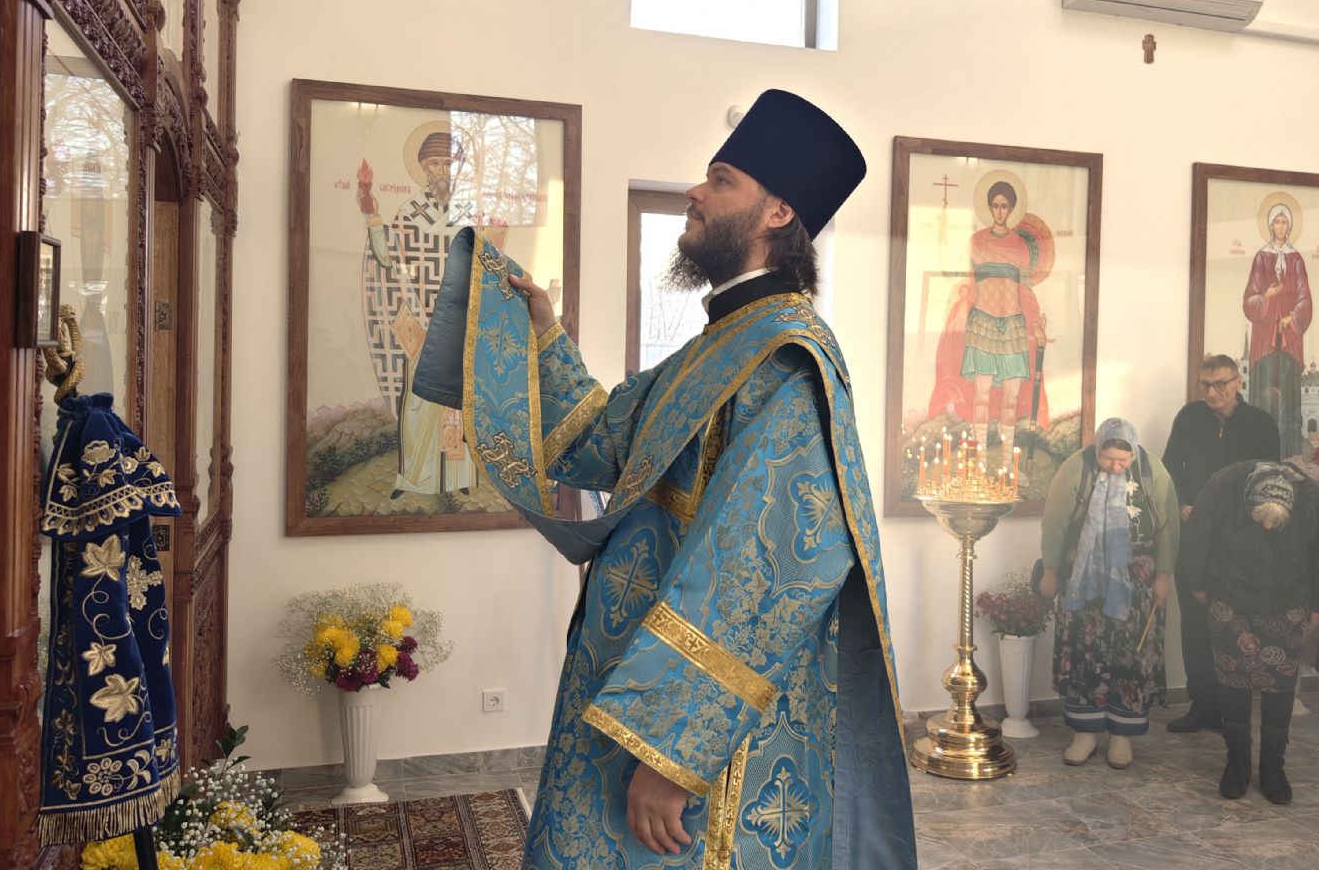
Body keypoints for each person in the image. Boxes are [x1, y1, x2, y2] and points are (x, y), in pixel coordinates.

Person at [412, 90, 916, 868]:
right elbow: (600, 443)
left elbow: (766, 569)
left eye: (719, 180)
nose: (694, 192)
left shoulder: (787, 361)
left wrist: (673, 752)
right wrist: (543, 334)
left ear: (777, 212)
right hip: (629, 680)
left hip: (696, 734)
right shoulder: (719, 344)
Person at [1039, 418, 1179, 770]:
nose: (1115, 466)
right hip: (1085, 575)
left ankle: (1122, 736)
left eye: (1122, 460)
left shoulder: (1153, 470)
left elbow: (1168, 526)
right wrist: (1051, 570)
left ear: (1134, 453)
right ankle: (1084, 733)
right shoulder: (1076, 468)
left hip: (1138, 579)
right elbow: (1055, 523)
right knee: (1085, 651)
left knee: (1132, 654)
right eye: (1107, 459)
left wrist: (1164, 575)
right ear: (1097, 447)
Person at [1185, 461, 1319, 804]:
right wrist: (1197, 583)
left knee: (1281, 684)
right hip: (1231, 597)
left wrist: (1317, 603)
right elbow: (1197, 536)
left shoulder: (1310, 495)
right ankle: (1237, 764)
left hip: (1288, 600)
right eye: (1261, 520)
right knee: (1233, 680)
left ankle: (1273, 768)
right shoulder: (1222, 485)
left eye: (1277, 522)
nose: (1268, 528)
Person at [1161, 354, 1280, 733]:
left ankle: (1235, 711)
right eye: (1206, 385)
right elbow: (1169, 467)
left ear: (1237, 382)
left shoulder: (1261, 423)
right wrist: (1182, 504)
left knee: (1236, 626)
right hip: (1193, 535)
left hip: (1239, 541)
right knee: (1195, 625)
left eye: (1221, 384)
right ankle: (1203, 706)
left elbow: (1269, 478)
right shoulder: (1188, 417)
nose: (1213, 393)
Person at [357, 130, 476, 500]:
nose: (442, 171)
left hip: (457, 324)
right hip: (423, 321)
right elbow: (388, 256)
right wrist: (372, 213)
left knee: (455, 401)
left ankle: (457, 477)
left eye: (449, 163)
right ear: (423, 167)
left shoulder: (467, 215)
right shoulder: (410, 212)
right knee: (418, 404)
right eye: (435, 163)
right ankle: (415, 478)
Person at [927, 181, 1050, 467]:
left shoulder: (1020, 246)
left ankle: (1007, 464)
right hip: (982, 325)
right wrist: (942, 234)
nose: (999, 211)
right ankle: (980, 461)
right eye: (995, 206)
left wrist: (1036, 324)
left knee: (1011, 396)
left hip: (1013, 329)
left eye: (1004, 206)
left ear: (1011, 209)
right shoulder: (978, 241)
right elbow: (952, 271)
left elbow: (1025, 289)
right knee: (980, 395)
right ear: (989, 208)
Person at [1243, 202, 1312, 458]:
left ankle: (1291, 455)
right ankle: (1257, 454)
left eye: (1284, 222)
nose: (1280, 227)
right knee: (1263, 400)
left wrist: (1292, 317)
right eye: (1276, 222)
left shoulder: (1296, 260)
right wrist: (1267, 296)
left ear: (1289, 226)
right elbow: (1249, 301)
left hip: (1289, 341)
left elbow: (1305, 298)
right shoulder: (1261, 258)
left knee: (1290, 404)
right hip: (1265, 342)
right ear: (1271, 226)